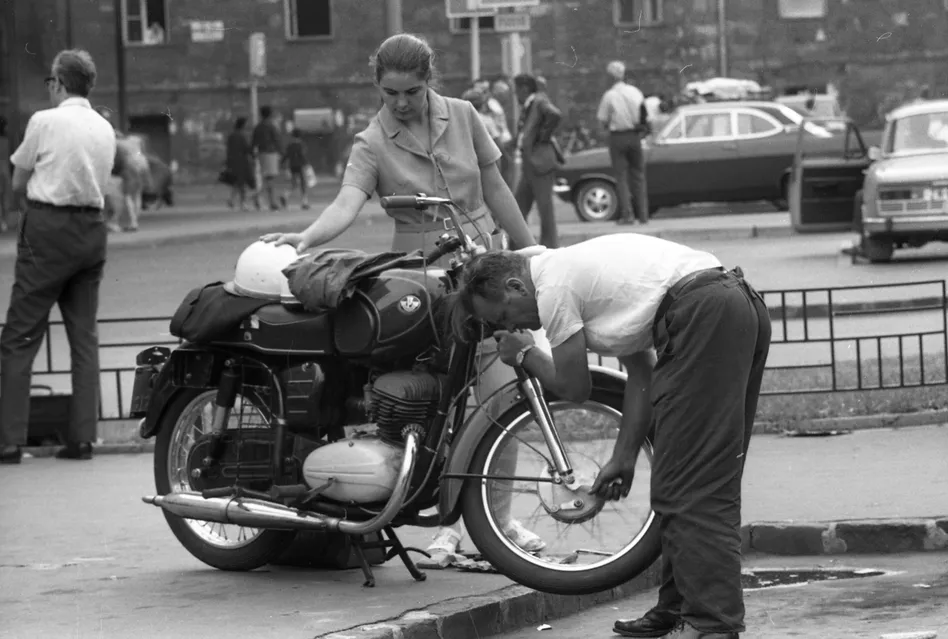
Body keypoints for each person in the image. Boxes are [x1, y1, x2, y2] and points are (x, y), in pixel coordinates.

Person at [260, 33, 548, 559]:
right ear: (378, 86)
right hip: (423, 278)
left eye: (411, 91)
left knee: (502, 398)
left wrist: (533, 255)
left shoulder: (463, 115)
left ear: (428, 81)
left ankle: (498, 523)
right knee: (440, 407)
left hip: (485, 266)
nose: (400, 103)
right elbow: (348, 201)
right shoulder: (371, 140)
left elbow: (497, 189)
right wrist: (305, 238)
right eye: (390, 92)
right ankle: (450, 526)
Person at [456, 233, 772, 639]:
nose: (511, 325)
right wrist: (623, 458)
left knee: (691, 489)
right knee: (690, 483)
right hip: (731, 306)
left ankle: (713, 625)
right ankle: (680, 608)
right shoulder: (566, 272)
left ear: (515, 287)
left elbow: (574, 388)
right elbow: (641, 376)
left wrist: (524, 353)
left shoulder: (553, 287)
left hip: (704, 315)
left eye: (504, 315)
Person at [1, 49, 117, 464]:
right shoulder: (105, 128)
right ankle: (82, 439)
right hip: (91, 230)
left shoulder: (44, 122)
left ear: (61, 82)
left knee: (19, 336)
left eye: (52, 81)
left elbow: (17, 180)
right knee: (83, 338)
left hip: (47, 229)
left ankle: (9, 440)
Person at [513, 73, 563, 249]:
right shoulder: (529, 105)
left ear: (524, 89)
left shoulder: (539, 100)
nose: (515, 94)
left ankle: (550, 246)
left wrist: (543, 136)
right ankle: (517, 244)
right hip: (531, 162)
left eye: (516, 90)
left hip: (540, 162)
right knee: (518, 205)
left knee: (544, 207)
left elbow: (555, 114)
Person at [597, 60, 650, 226]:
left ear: (611, 77)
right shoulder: (636, 92)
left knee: (621, 177)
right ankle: (643, 215)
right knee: (638, 176)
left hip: (618, 137)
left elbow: (602, 120)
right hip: (635, 137)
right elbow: (645, 116)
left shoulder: (609, 95)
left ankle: (628, 215)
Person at [251, 105, 285, 210]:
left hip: (262, 153)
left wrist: (253, 153)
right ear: (270, 114)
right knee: (270, 178)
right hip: (271, 153)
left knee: (267, 178)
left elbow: (254, 141)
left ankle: (260, 197)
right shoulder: (271, 126)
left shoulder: (258, 126)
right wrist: (282, 152)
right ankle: (270, 202)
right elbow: (277, 140)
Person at [225, 116, 256, 211]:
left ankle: (231, 199)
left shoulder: (231, 135)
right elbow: (247, 148)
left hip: (233, 161)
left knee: (237, 182)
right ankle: (243, 204)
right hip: (242, 162)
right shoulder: (242, 136)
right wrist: (254, 154)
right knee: (242, 184)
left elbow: (229, 149)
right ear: (243, 125)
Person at [283, 127, 311, 210]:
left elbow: (286, 155)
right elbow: (302, 155)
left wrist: (282, 162)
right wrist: (307, 164)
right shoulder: (301, 144)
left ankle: (285, 195)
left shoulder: (290, 145)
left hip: (292, 166)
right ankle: (304, 202)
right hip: (300, 165)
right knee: (303, 184)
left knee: (294, 183)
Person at [0, 115, 12, 233]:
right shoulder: (6, 140)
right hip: (5, 170)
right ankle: (4, 222)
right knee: (5, 198)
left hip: (3, 169)